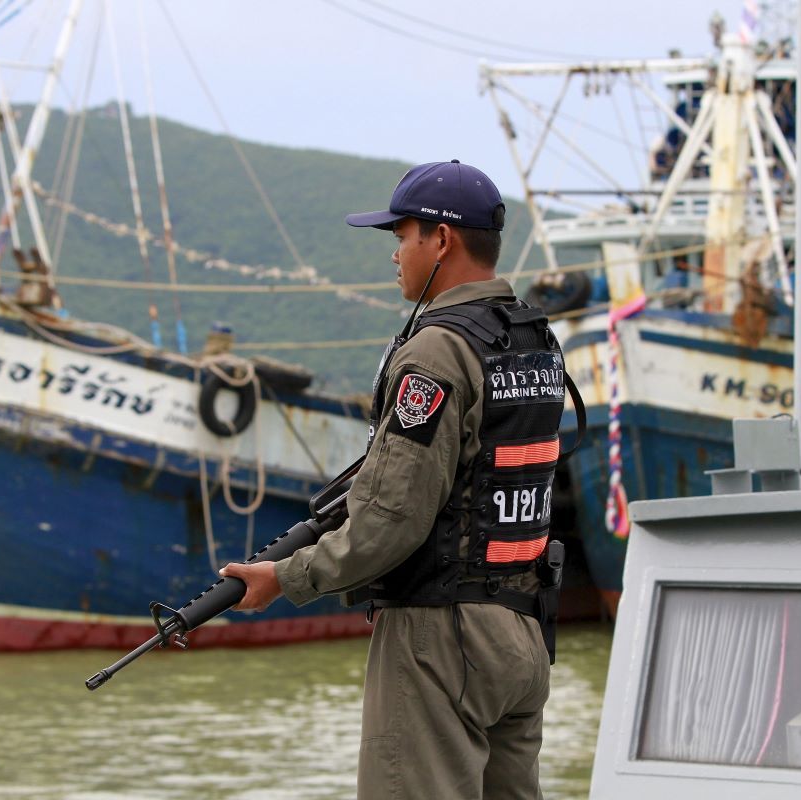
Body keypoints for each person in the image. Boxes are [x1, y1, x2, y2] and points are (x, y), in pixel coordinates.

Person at [221, 160, 568, 800]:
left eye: (402, 236)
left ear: (441, 240)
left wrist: (286, 577)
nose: (395, 255)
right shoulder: (534, 342)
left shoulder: (436, 352)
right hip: (522, 630)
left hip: (443, 640)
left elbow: (390, 519)